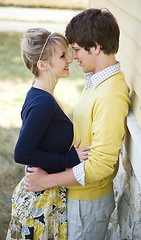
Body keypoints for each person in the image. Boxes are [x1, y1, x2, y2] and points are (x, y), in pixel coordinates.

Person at [25, 8, 131, 240]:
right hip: (77, 194)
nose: (72, 58)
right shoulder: (95, 82)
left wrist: (45, 180)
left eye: (76, 49)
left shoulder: (111, 94)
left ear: (96, 46)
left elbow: (101, 166)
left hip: (89, 202)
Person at [6, 28, 90, 240]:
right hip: (39, 204)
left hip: (45, 196)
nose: (70, 58)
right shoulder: (43, 102)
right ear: (42, 65)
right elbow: (22, 153)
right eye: (62, 55)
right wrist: (68, 158)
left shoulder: (41, 94)